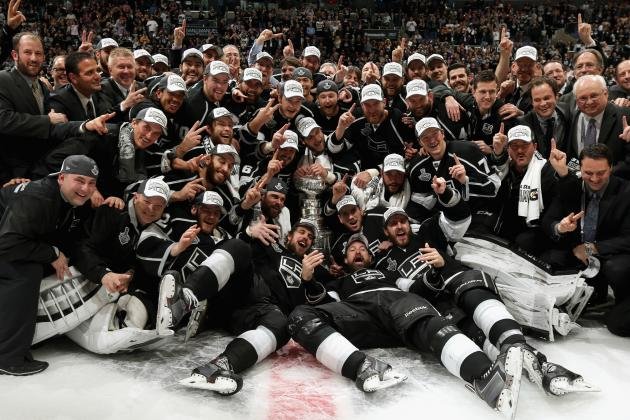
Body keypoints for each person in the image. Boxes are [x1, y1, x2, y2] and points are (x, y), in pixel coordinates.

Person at [288, 232, 523, 419]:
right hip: (360, 312)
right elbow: (326, 306)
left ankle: (485, 378)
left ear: (371, 258)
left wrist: (437, 270)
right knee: (299, 316)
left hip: (398, 304)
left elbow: (419, 288)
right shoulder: (339, 282)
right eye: (352, 249)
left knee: (431, 323)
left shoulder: (389, 274)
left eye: (362, 249)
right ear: (345, 259)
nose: (358, 251)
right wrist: (309, 281)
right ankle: (361, 367)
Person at [0, 155, 98, 375]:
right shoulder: (40, 197)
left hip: (9, 237)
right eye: (79, 180)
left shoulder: (63, 196)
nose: (86, 188)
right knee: (25, 272)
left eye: (91, 183)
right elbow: (6, 244)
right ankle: (7, 357)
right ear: (62, 178)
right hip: (5, 242)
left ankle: (19, 339)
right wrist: (51, 253)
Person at [542, 143, 630, 308]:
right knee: (549, 258)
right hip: (575, 252)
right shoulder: (570, 186)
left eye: (601, 173)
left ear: (611, 167)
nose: (595, 179)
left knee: (617, 269)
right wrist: (560, 227)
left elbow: (627, 238)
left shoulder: (625, 192)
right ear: (580, 169)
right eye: (588, 173)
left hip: (608, 255)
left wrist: (592, 248)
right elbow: (548, 221)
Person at [0, 32, 69, 183]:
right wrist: (47, 120)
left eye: (38, 53)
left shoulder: (43, 87)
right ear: (15, 55)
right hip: (10, 174)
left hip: (38, 171)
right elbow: (3, 120)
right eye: (27, 52)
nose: (34, 58)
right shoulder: (3, 79)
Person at [49, 51, 110, 122]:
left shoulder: (99, 91)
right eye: (90, 73)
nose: (98, 76)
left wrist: (125, 104)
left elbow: (109, 115)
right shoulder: (58, 100)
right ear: (73, 78)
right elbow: (65, 131)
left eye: (97, 70)